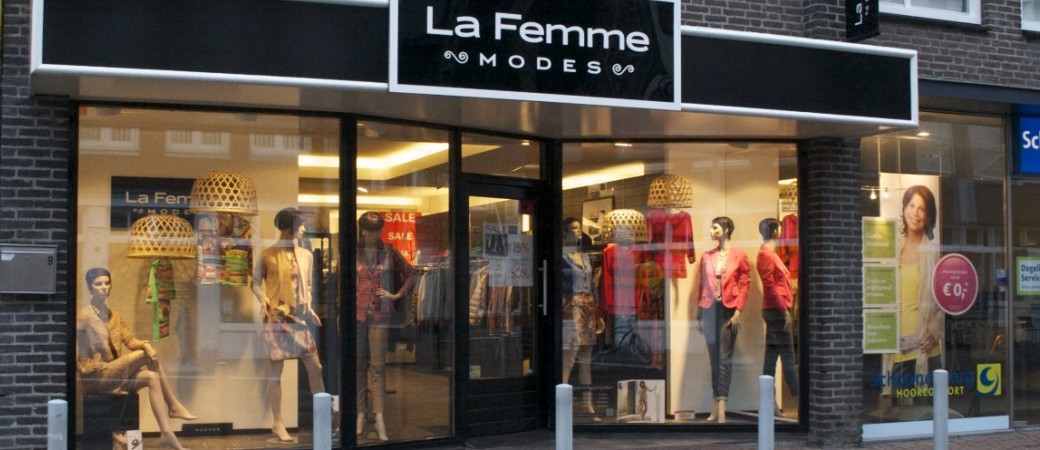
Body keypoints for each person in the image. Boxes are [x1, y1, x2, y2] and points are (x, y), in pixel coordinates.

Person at [76, 267, 196, 450]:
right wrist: (82, 369)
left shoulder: (115, 316)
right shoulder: (84, 316)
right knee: (144, 355)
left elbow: (130, 341)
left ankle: (166, 432)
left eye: (107, 283)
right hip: (98, 377)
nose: (104, 287)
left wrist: (146, 344)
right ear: (90, 288)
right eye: (98, 284)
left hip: (115, 375)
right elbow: (67, 343)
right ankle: (173, 404)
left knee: (152, 377)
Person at [252, 207, 327, 442]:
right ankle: (278, 423)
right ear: (288, 229)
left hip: (300, 317)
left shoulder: (305, 255)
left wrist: (310, 308)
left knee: (316, 368)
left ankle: (323, 418)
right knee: (275, 373)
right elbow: (255, 282)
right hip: (277, 318)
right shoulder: (267, 255)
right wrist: (262, 297)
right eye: (300, 225)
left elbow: (308, 286)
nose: (303, 229)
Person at [356, 211, 415, 441]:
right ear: (362, 230)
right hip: (357, 314)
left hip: (380, 315)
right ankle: (360, 412)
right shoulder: (353, 251)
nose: (375, 234)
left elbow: (411, 273)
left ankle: (379, 415)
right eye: (371, 230)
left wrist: (396, 295)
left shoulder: (389, 251)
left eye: (378, 230)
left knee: (378, 366)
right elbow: (341, 280)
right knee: (358, 365)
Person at [695, 217, 750, 424]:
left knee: (724, 358)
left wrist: (738, 312)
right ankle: (715, 402)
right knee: (714, 360)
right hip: (709, 310)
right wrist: (699, 310)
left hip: (729, 311)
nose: (711, 231)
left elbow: (745, 284)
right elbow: (702, 284)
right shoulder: (706, 256)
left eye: (715, 228)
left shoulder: (739, 255)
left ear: (726, 230)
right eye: (711, 227)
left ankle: (722, 404)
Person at [894, 186, 943, 382]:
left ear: (929, 216)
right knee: (897, 400)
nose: (915, 213)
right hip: (898, 348)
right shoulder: (892, 251)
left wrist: (935, 329)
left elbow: (946, 301)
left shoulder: (934, 254)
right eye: (911, 205)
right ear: (904, 208)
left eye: (922, 208)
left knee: (928, 400)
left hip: (926, 348)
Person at [756, 218, 799, 414]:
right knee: (788, 357)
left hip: (775, 309)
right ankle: (799, 400)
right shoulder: (766, 254)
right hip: (776, 311)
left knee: (772, 356)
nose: (781, 231)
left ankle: (769, 403)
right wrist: (783, 311)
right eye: (779, 228)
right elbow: (770, 285)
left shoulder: (770, 253)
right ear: (774, 231)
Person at [561, 217, 599, 416]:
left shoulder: (585, 257)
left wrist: (598, 311)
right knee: (569, 357)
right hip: (571, 307)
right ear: (565, 232)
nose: (578, 231)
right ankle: (562, 403)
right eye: (573, 228)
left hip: (588, 307)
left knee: (586, 358)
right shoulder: (561, 257)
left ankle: (588, 403)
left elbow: (592, 285)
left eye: (579, 228)